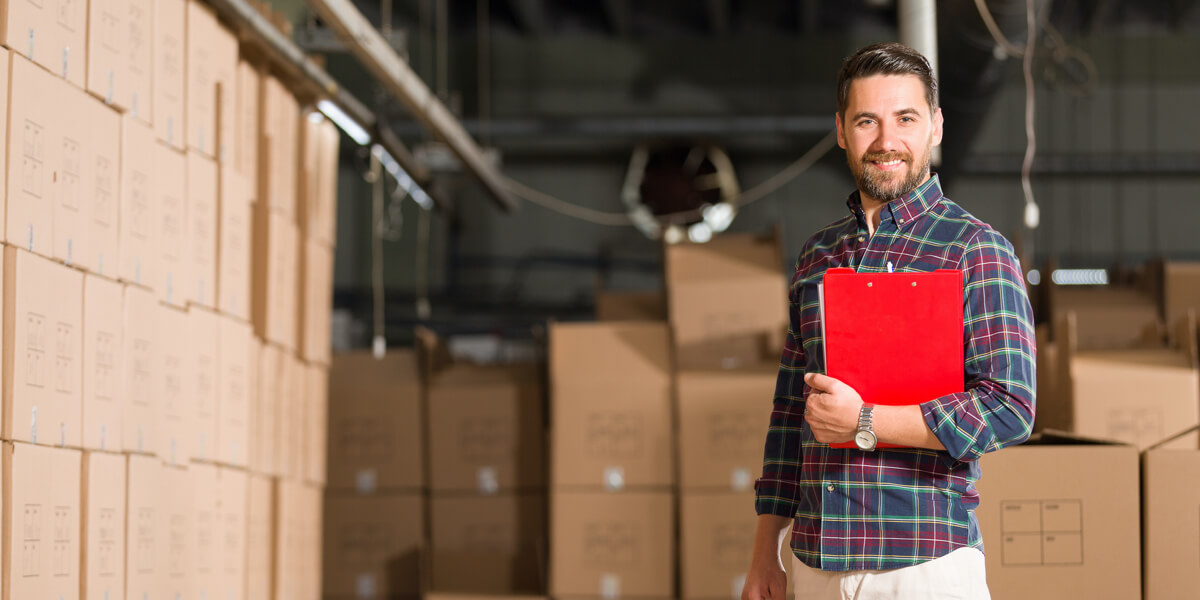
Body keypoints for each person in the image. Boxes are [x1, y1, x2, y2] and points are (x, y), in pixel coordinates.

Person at [741, 42, 1036, 600]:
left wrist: (867, 423)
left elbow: (1010, 407)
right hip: (815, 561)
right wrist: (764, 555)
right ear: (840, 130)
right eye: (866, 121)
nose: (886, 141)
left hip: (924, 564)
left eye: (906, 118)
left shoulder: (976, 250)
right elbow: (787, 417)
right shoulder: (818, 257)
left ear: (936, 126)